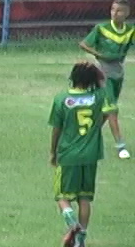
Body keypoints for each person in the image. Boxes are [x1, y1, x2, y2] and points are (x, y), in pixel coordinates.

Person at [49, 61, 118, 247]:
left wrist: (53, 152)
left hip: (68, 155)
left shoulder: (61, 99)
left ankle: (73, 225)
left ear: (72, 78)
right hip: (91, 155)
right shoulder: (99, 96)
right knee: (84, 197)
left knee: (62, 197)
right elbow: (105, 110)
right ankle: (81, 240)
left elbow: (56, 129)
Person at [79, 0, 132, 159]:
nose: (115, 13)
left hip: (118, 72)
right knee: (112, 109)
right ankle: (121, 146)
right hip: (103, 72)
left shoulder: (129, 31)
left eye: (119, 10)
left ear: (127, 13)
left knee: (105, 111)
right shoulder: (101, 28)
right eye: (112, 10)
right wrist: (98, 54)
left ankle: (86, 139)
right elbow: (84, 44)